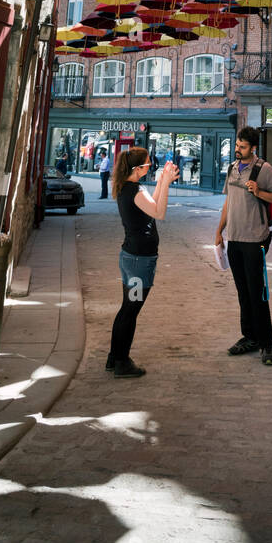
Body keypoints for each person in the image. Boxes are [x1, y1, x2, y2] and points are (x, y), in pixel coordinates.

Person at [215, 125, 272, 366]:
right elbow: (228, 202)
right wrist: (219, 231)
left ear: (253, 148)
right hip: (234, 239)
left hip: (255, 240)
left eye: (242, 147)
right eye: (237, 145)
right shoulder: (232, 168)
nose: (238, 149)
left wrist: (259, 192)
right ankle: (249, 337)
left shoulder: (263, 169)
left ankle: (267, 342)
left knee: (257, 293)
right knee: (243, 293)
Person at [106, 147, 178, 377]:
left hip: (132, 257)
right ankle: (121, 362)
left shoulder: (130, 188)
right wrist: (166, 183)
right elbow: (159, 212)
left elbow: (152, 205)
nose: (151, 166)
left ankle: (114, 357)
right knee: (130, 310)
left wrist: (161, 182)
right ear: (137, 169)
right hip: (139, 261)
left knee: (127, 308)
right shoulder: (134, 191)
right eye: (148, 164)